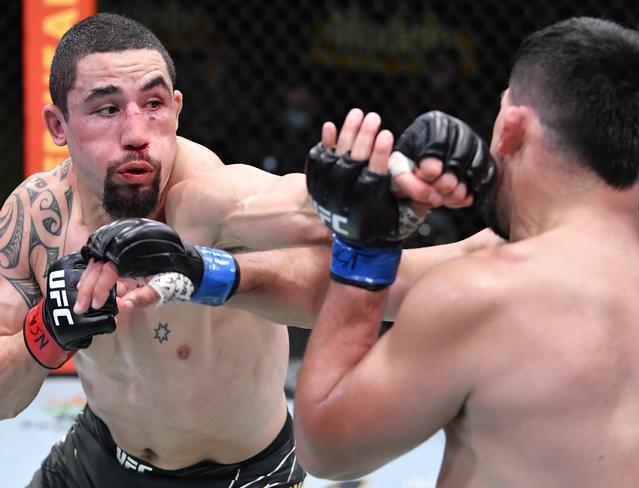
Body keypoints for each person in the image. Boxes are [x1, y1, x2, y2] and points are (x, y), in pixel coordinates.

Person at [1, 11, 484, 488]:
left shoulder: (201, 198)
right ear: (58, 124)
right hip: (100, 455)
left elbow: (288, 204)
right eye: (107, 109)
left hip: (243, 476)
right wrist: (43, 335)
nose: (136, 134)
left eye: (153, 104)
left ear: (177, 107)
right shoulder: (35, 218)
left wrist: (380, 190)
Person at [292, 16, 639, 487]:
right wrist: (215, 274)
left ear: (511, 130)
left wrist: (365, 248)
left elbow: (326, 448)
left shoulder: (483, 293)